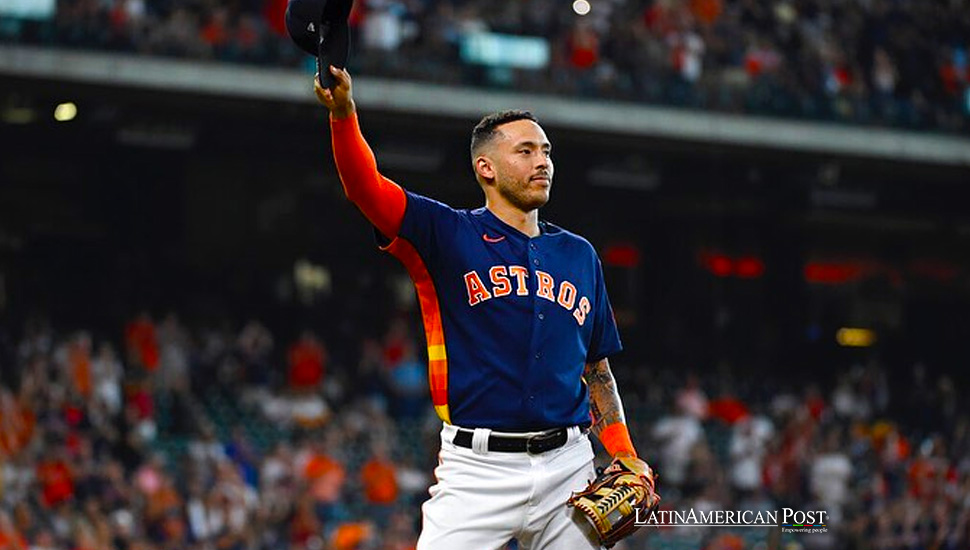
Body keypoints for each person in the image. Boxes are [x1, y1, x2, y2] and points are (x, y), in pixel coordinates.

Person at [314, 65, 657, 549]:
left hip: (570, 467)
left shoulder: (579, 254)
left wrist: (622, 453)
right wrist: (344, 114)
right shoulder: (449, 234)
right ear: (486, 168)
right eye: (525, 151)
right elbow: (364, 189)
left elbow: (596, 369)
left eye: (545, 151)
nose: (542, 162)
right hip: (477, 471)